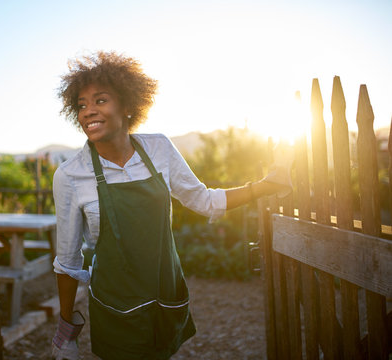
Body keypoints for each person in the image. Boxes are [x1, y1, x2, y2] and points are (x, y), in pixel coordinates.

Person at [51, 51, 292, 360]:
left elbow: (204, 200)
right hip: (116, 304)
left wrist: (265, 186)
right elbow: (68, 262)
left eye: (100, 100)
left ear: (127, 105)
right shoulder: (71, 175)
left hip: (164, 294)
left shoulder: (159, 148)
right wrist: (65, 332)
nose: (88, 112)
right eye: (81, 105)